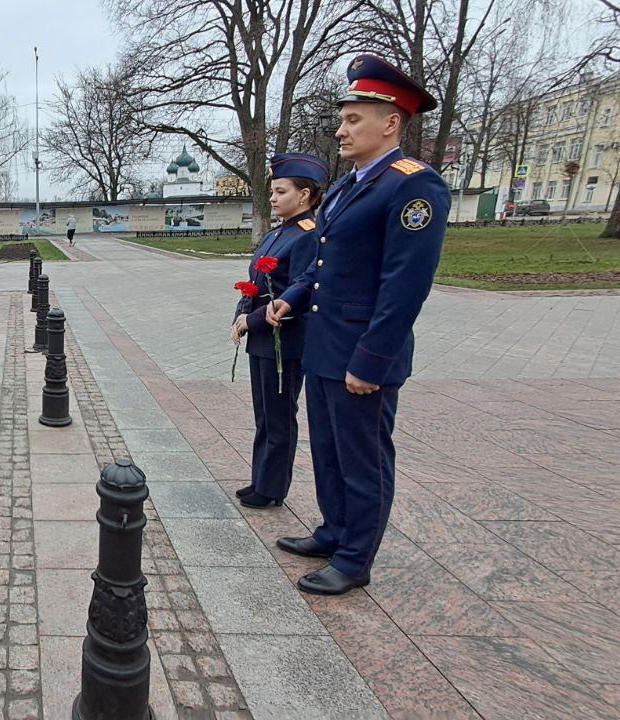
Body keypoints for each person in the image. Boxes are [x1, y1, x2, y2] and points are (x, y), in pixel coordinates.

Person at [266, 54, 449, 595]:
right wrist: (291, 299)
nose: (341, 129)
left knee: (363, 458)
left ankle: (354, 558)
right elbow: (323, 264)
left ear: (390, 122)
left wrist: (373, 360)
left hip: (362, 352)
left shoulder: (414, 187)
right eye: (341, 119)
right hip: (324, 344)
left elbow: (405, 285)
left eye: (353, 119)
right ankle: (333, 529)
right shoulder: (347, 187)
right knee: (327, 448)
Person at [231, 153, 327, 509]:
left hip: (283, 340)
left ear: (304, 195)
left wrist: (253, 320)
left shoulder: (307, 235)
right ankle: (261, 477)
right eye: (272, 191)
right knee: (264, 413)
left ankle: (272, 488)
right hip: (261, 339)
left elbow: (299, 292)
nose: (273, 198)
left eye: (281, 191)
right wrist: (241, 315)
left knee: (279, 414)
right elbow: (256, 283)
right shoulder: (277, 233)